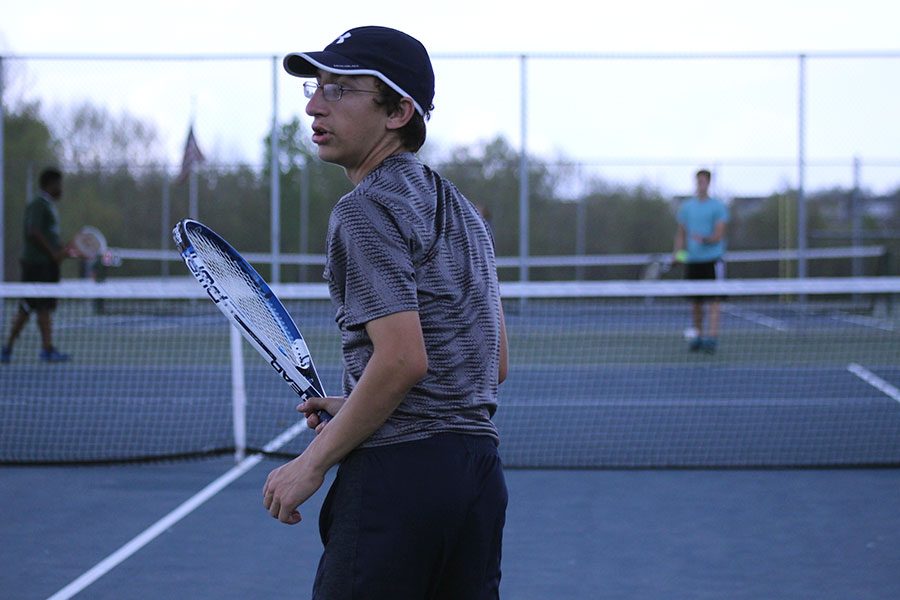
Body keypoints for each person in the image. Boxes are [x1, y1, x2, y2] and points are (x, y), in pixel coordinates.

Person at [263, 26, 509, 599]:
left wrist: (312, 463)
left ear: (398, 111)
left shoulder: (363, 210)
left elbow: (402, 361)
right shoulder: (467, 214)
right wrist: (359, 403)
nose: (316, 105)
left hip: (397, 483)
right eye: (315, 88)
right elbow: (489, 365)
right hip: (478, 480)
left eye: (341, 90)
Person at [1, 167, 73, 363]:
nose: (61, 188)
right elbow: (33, 232)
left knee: (30, 308)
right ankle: (44, 349)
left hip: (46, 265)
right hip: (36, 265)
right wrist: (53, 254)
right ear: (50, 184)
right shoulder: (38, 204)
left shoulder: (49, 206)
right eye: (59, 184)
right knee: (38, 308)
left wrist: (64, 252)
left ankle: (10, 348)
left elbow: (49, 236)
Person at [673, 168, 729, 354]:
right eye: (699, 181)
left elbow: (719, 233)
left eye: (704, 181)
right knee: (696, 303)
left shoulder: (718, 206)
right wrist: (678, 255)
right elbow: (681, 234)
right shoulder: (687, 207)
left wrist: (705, 239)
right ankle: (697, 336)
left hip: (712, 260)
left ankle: (711, 338)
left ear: (709, 183)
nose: (701, 184)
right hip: (693, 261)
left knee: (714, 301)